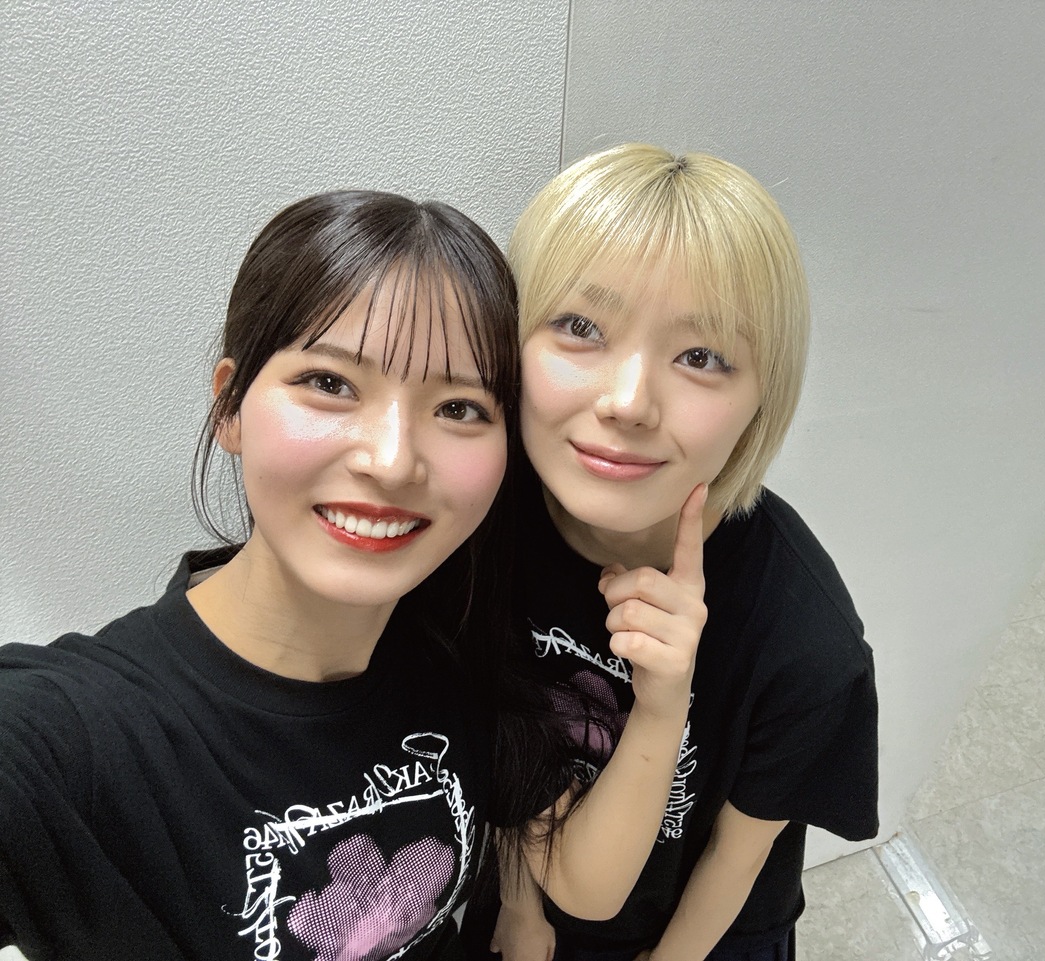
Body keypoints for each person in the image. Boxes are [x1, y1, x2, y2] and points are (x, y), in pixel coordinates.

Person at [0, 190, 705, 961]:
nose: (393, 461)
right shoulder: (69, 737)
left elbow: (585, 885)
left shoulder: (457, 642)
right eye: (330, 384)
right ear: (230, 406)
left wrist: (662, 701)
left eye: (459, 408)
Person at [480, 145, 879, 961]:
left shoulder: (805, 638)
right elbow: (505, 744)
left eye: (700, 356)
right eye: (580, 327)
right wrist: (520, 911)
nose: (628, 403)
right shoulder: (484, 529)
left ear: (763, 396)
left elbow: (741, 852)